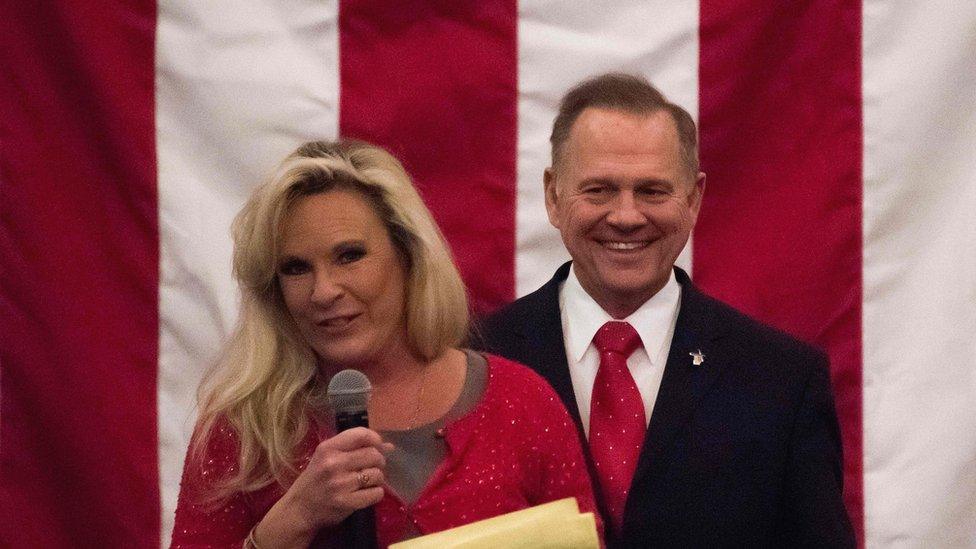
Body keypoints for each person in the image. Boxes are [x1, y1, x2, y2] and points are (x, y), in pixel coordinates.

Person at [476, 73, 855, 547]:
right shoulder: (474, 360)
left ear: (694, 199)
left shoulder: (782, 380)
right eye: (598, 190)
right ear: (553, 196)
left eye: (653, 191)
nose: (627, 216)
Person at [171, 140, 600, 548]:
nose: (324, 291)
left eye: (349, 256)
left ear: (409, 256)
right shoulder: (243, 428)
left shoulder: (520, 400)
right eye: (296, 268)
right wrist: (294, 519)